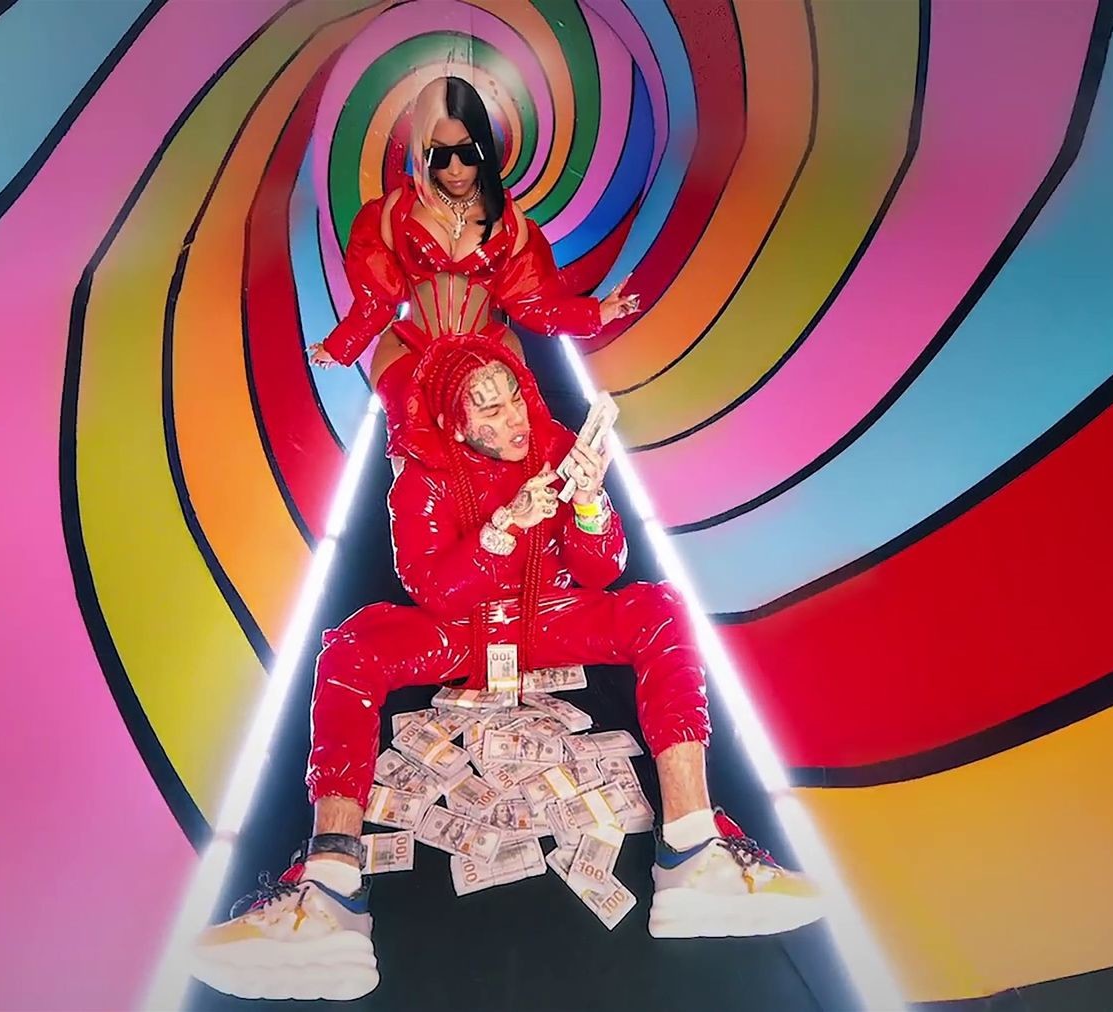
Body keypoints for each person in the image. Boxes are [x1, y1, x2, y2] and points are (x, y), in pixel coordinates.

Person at [191, 338, 822, 1002]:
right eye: (488, 411)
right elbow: (434, 590)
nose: (514, 419)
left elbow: (600, 572)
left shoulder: (555, 444)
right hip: (462, 628)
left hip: (547, 613)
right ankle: (330, 888)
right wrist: (506, 526)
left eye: (514, 395)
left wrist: (589, 503)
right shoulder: (421, 476)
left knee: (659, 607)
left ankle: (693, 848)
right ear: (457, 424)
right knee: (350, 647)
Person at [307, 75, 640, 457]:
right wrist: (340, 345)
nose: (454, 169)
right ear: (422, 151)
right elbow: (376, 298)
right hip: (412, 348)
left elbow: (533, 302)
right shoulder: (393, 211)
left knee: (509, 441)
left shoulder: (509, 220)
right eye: (439, 155)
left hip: (486, 350)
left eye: (467, 153)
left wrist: (596, 313)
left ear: (483, 147)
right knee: (416, 438)